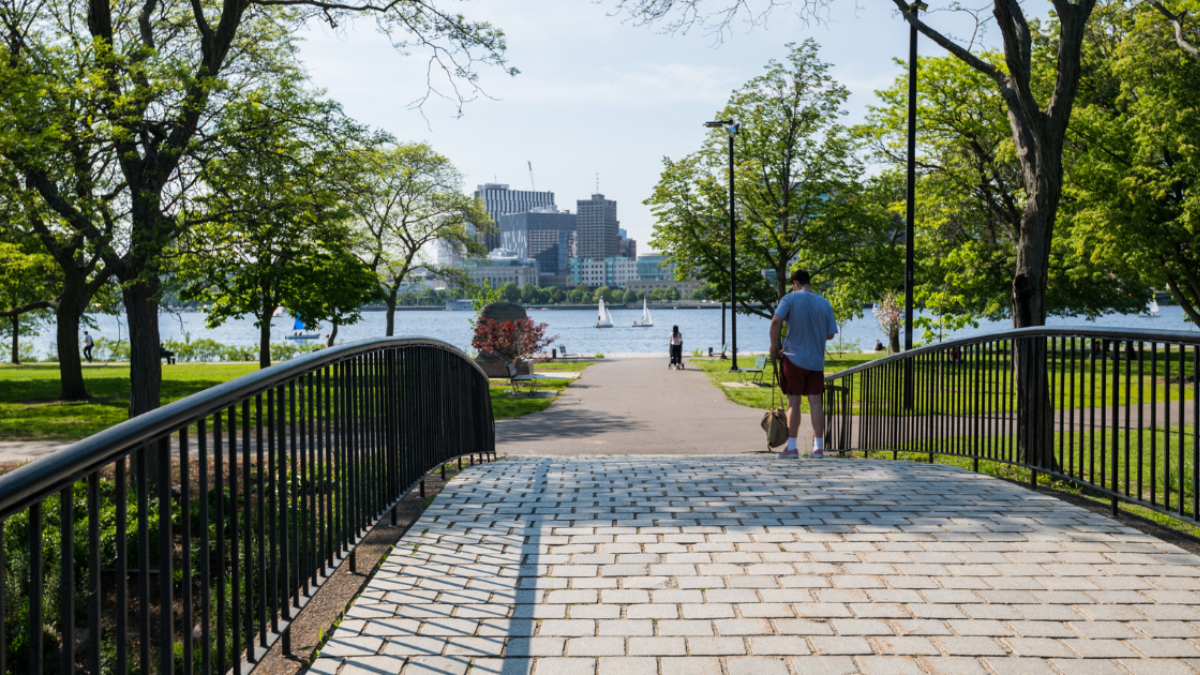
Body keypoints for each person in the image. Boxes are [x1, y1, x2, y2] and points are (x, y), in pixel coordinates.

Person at [769, 269, 838, 459]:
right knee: (816, 402)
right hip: (816, 360)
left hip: (793, 359)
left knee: (794, 403)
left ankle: (792, 447)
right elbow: (830, 334)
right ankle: (818, 448)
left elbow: (776, 321)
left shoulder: (789, 299)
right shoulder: (824, 302)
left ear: (795, 283)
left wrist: (774, 346)